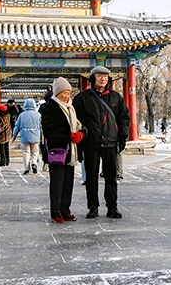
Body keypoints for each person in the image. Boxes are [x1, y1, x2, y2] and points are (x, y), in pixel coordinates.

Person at [73, 66, 130, 219]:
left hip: (110, 142)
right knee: (91, 177)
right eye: (99, 76)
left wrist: (123, 136)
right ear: (93, 78)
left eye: (105, 76)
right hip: (91, 143)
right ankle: (93, 207)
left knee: (111, 177)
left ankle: (112, 207)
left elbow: (124, 117)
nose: (103, 79)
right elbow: (76, 121)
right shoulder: (82, 98)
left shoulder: (115, 97)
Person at [41, 78, 85, 223]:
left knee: (68, 183)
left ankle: (65, 209)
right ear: (57, 93)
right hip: (58, 151)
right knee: (57, 183)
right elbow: (49, 130)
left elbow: (79, 125)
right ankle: (56, 212)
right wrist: (68, 136)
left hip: (70, 152)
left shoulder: (71, 108)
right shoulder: (49, 107)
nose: (67, 96)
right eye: (64, 93)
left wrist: (81, 133)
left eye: (68, 93)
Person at [12, 98, 42, 175]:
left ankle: (26, 168)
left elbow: (17, 126)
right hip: (35, 136)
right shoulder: (38, 115)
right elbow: (41, 127)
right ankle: (34, 163)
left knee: (26, 152)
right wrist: (43, 135)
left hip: (24, 135)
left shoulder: (22, 115)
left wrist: (14, 134)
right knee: (35, 151)